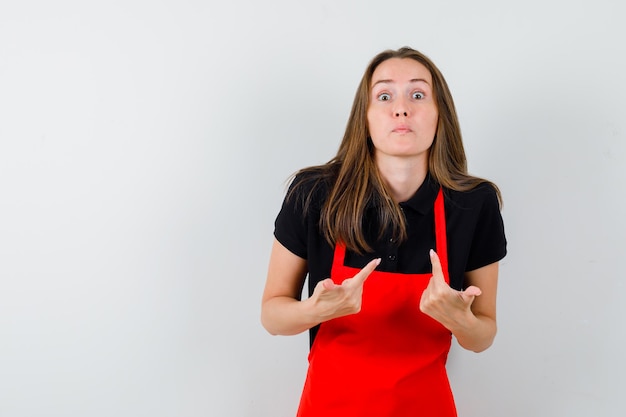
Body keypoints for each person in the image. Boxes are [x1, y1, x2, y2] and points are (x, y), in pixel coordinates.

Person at [261, 46, 507, 417]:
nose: (401, 108)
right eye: (385, 95)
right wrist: (315, 309)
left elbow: (483, 336)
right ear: (366, 117)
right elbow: (272, 316)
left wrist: (462, 321)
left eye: (418, 94)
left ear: (441, 115)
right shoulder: (313, 194)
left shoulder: (473, 205)